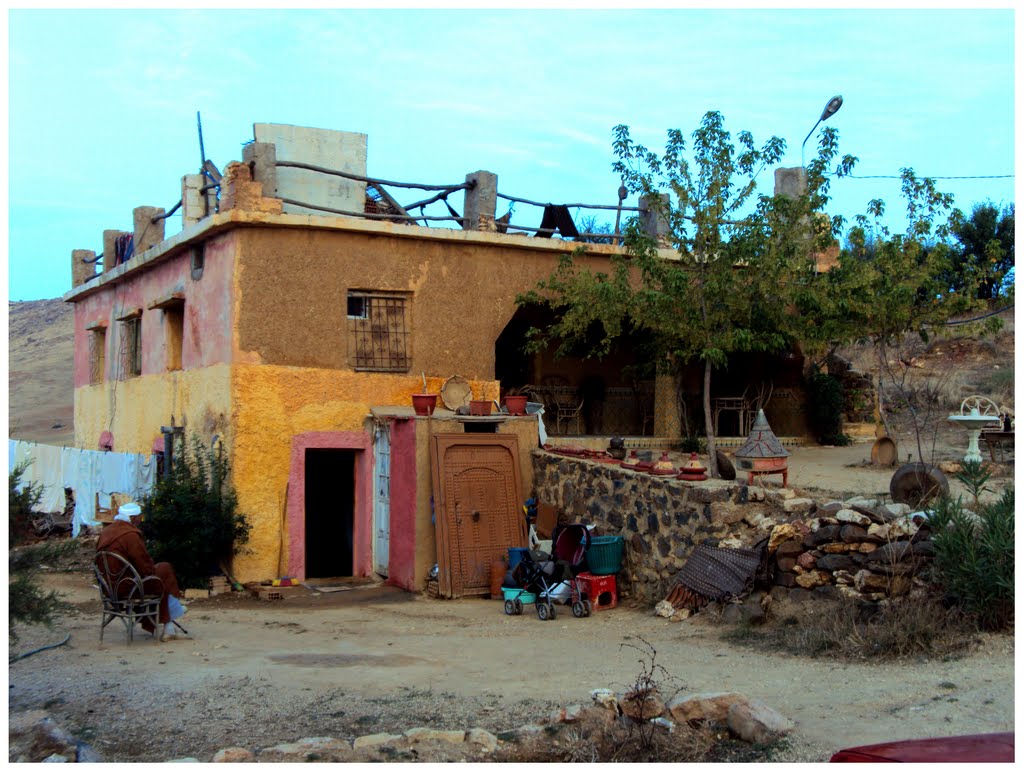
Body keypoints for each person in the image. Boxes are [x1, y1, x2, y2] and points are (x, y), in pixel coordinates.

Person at [96, 502, 188, 641]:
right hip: (128, 588)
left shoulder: (106, 532)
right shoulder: (130, 535)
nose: (140, 521)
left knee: (158, 578)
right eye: (139, 518)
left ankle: (169, 620)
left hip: (109, 589)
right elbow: (145, 568)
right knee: (163, 571)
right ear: (133, 518)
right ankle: (172, 614)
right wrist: (152, 568)